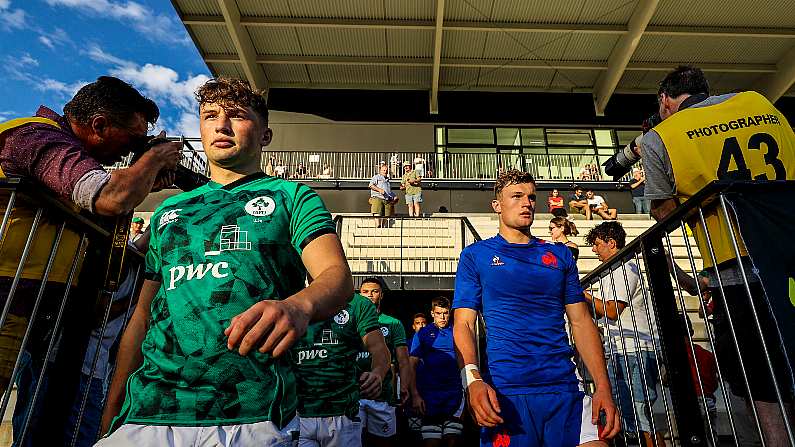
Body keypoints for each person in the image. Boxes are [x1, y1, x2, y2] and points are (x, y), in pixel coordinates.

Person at [98, 77, 352, 446]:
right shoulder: (170, 209)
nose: (221, 125)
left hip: (251, 408)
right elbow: (143, 313)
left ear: (265, 135)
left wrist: (299, 306)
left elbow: (336, 277)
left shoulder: (292, 196)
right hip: (151, 407)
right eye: (210, 115)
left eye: (237, 116)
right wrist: (113, 407)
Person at [0, 76, 182, 445]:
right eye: (131, 139)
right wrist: (154, 158)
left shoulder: (71, 156)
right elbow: (107, 197)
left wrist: (147, 180)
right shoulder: (36, 138)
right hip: (7, 298)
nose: (131, 151)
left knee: (42, 423)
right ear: (99, 125)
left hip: (43, 309)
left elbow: (105, 228)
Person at [641, 65, 795, 444]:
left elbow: (663, 214)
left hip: (736, 266)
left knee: (759, 377)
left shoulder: (662, 136)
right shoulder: (759, 103)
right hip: (789, 249)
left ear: (665, 101)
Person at [453, 169, 620, 447]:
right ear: (497, 205)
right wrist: (471, 380)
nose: (527, 203)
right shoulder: (475, 256)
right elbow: (464, 324)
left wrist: (602, 386)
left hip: (564, 387)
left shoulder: (560, 254)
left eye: (531, 197)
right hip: (507, 392)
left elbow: (581, 322)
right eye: (516, 196)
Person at [584, 221, 663, 447]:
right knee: (625, 414)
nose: (594, 250)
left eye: (597, 244)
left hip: (635, 350)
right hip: (624, 349)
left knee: (639, 415)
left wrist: (584, 295)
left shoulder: (624, 269)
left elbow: (611, 311)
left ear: (612, 243)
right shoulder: (615, 271)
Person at [293, 293, 391, 447]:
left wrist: (378, 373)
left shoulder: (358, 304)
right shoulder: (290, 295)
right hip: (298, 415)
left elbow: (379, 348)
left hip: (343, 415)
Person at [357, 277, 413, 447]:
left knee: (382, 442)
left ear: (381, 295)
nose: (369, 295)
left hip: (383, 395)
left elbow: (403, 360)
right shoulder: (350, 320)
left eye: (374, 292)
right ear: (359, 295)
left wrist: (403, 387)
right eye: (365, 292)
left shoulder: (393, 323)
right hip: (354, 395)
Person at [410, 297, 464, 447]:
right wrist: (415, 395)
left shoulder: (458, 332)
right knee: (431, 443)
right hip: (429, 397)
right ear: (432, 313)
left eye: (445, 313)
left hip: (455, 396)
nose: (442, 317)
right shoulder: (422, 334)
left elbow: (468, 362)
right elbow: (411, 365)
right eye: (439, 313)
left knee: (452, 441)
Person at [406, 312, 428, 438]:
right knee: (414, 432)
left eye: (423, 323)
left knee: (429, 430)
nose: (421, 326)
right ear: (413, 326)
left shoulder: (433, 342)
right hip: (412, 391)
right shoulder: (406, 344)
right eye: (418, 323)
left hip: (429, 390)